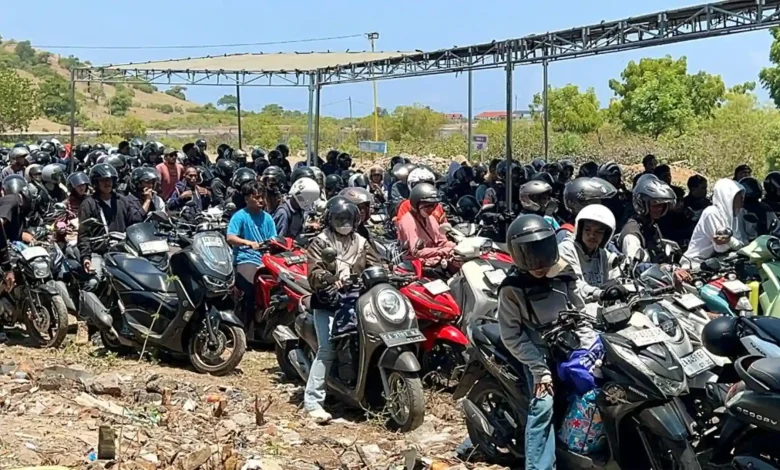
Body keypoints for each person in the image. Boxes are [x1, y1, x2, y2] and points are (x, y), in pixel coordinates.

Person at [498, 214, 589, 470]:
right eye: (529, 254)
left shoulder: (564, 273)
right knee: (543, 405)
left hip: (568, 342)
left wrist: (588, 345)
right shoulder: (512, 288)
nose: (538, 263)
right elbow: (512, 336)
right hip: (536, 351)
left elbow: (581, 310)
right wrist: (540, 371)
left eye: (542, 252)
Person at [304, 196, 380, 423]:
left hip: (356, 301)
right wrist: (329, 279)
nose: (344, 223)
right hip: (328, 302)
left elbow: (376, 264)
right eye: (339, 219)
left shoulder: (361, 242)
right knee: (327, 349)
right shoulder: (320, 242)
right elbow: (314, 271)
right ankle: (313, 402)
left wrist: (385, 274)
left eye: (348, 218)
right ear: (330, 219)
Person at [77, 164, 144, 287]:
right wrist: (86, 257)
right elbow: (83, 234)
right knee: (93, 282)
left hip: (123, 249)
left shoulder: (122, 200)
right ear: (96, 182)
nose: (107, 183)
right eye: (103, 180)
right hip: (99, 251)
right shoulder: (89, 204)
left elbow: (135, 221)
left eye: (110, 180)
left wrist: (148, 202)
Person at [558, 204, 623, 308]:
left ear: (606, 235)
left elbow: (613, 279)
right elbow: (575, 286)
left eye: (598, 232)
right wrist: (599, 294)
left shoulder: (603, 254)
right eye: (587, 230)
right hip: (577, 313)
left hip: (599, 310)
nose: (592, 235)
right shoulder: (566, 250)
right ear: (580, 230)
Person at [683, 178, 747, 268]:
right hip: (696, 264)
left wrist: (731, 241)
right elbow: (721, 248)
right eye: (739, 196)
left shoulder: (733, 216)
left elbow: (741, 243)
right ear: (728, 196)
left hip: (719, 263)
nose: (742, 200)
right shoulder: (712, 213)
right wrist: (732, 242)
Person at [618, 174, 676, 263]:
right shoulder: (632, 233)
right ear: (641, 203)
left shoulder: (651, 226)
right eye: (655, 204)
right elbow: (634, 266)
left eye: (662, 205)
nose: (659, 208)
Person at [396, 183, 455, 268]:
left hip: (436, 261)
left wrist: (456, 247)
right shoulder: (408, 221)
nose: (431, 209)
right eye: (427, 206)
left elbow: (441, 241)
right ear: (416, 203)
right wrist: (442, 251)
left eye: (434, 205)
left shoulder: (430, 218)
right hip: (417, 266)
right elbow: (416, 252)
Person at [557, 177, 617, 242]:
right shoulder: (566, 233)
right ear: (574, 204)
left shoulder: (599, 233)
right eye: (594, 202)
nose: (598, 207)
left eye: (598, 202)